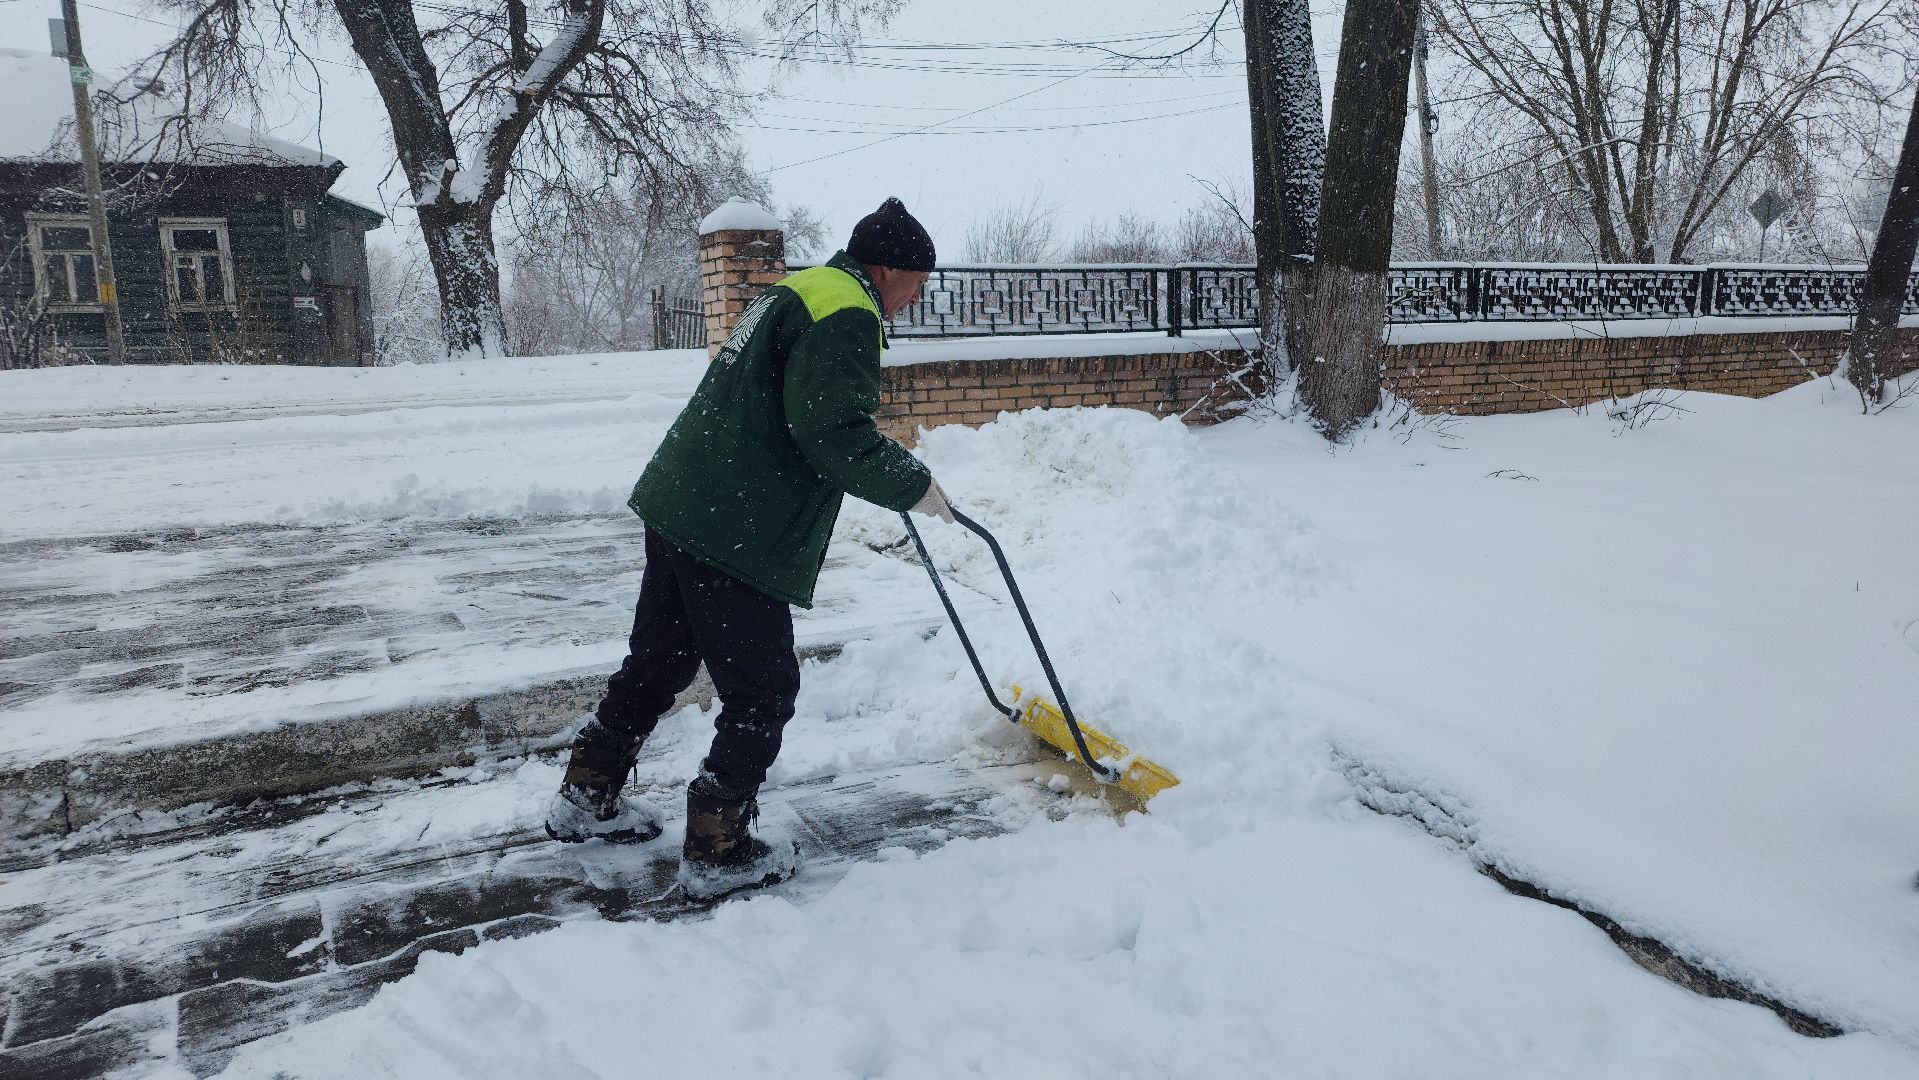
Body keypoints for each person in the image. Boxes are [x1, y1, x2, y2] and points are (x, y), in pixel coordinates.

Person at [544, 197, 955, 900]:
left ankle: (586, 796)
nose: (918, 297)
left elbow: (799, 408)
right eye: (918, 280)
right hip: (734, 521)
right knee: (763, 691)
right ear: (888, 268)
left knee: (661, 660)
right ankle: (717, 846)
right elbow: (830, 431)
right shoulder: (847, 311)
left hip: (684, 498)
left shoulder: (801, 289)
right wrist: (911, 483)